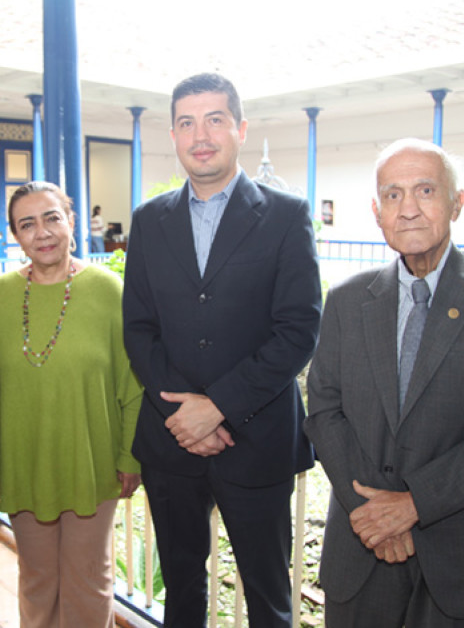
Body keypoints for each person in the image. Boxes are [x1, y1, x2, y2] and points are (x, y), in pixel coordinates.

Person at [304, 138, 464, 627]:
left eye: (425, 190)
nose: (408, 209)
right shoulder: (348, 300)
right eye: (392, 195)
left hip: (457, 559)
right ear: (376, 211)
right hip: (360, 549)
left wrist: (413, 505)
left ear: (457, 202)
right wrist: (375, 517)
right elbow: (324, 411)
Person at [122, 73, 322, 627]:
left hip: (257, 439)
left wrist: (218, 406)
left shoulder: (285, 215)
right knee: (181, 589)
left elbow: (298, 329)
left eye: (214, 119)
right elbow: (138, 329)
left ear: (239, 128)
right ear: (174, 134)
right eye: (187, 122)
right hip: (172, 442)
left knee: (267, 593)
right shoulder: (148, 220)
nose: (200, 134)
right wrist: (185, 414)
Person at [0, 181, 142, 627]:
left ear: (71, 221)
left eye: (52, 217)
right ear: (16, 236)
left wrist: (130, 456)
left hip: (91, 464)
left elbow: (133, 384)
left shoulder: (110, 291)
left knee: (88, 582)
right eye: (27, 224)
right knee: (35, 579)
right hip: (22, 463)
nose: (43, 232)